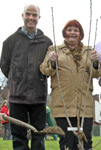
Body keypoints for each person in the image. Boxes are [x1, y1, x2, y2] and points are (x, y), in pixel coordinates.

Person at [40, 20, 100, 150]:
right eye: (69, 29)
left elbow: (95, 74)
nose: (72, 32)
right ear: (64, 33)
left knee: (85, 141)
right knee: (67, 142)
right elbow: (45, 70)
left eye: (76, 30)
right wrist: (52, 61)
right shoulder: (54, 50)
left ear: (80, 34)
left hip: (85, 106)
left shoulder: (89, 51)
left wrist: (95, 62)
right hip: (63, 106)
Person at [0, 4, 53, 150]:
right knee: (18, 138)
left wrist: (39, 78)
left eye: (34, 15)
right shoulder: (10, 42)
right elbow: (5, 66)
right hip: (17, 97)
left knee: (39, 135)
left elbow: (50, 67)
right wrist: (16, 80)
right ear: (22, 16)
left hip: (39, 97)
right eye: (28, 14)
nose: (31, 17)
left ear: (39, 18)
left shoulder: (47, 42)